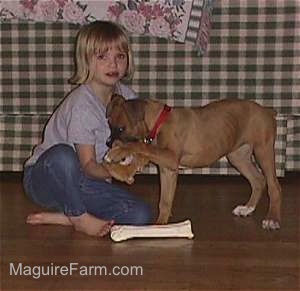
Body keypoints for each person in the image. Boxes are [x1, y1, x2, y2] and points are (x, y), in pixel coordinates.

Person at [23, 21, 153, 238]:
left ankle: (68, 215)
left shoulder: (129, 98)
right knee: (64, 156)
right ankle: (80, 217)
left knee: (141, 214)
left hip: (85, 184)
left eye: (119, 56)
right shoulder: (82, 105)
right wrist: (115, 171)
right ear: (86, 61)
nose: (113, 64)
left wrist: (136, 157)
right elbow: (88, 165)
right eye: (102, 57)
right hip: (47, 179)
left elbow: (138, 140)